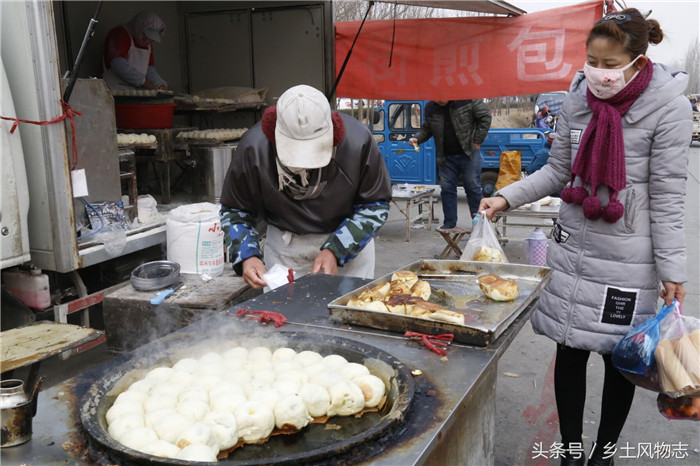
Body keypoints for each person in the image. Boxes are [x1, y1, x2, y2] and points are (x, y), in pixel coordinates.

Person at [479, 9, 690, 466]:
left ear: (637, 60)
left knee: (621, 361)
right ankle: (572, 452)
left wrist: (673, 270)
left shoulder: (667, 105)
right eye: (592, 60)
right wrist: (507, 197)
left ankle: (604, 455)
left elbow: (669, 196)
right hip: (572, 251)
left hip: (627, 261)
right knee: (569, 353)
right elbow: (558, 170)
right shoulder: (576, 97)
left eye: (610, 64)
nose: (598, 72)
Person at [219, 84, 392, 289]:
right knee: (285, 316)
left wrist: (337, 250)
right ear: (273, 132)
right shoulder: (253, 148)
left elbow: (375, 205)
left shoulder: (358, 142)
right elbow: (235, 209)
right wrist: (247, 255)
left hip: (349, 246)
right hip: (287, 250)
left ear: (333, 133)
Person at [409, 99, 491, 230]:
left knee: (472, 187)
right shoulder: (430, 107)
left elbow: (485, 116)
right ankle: (450, 222)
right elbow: (427, 128)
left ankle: (480, 224)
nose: (438, 99)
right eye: (435, 97)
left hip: (468, 153)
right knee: (447, 189)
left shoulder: (467, 99)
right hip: (446, 157)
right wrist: (417, 138)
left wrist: (477, 139)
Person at [102, 12, 168, 91]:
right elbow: (118, 64)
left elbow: (149, 69)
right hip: (113, 89)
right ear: (139, 28)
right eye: (145, 37)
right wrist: (144, 82)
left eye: (151, 39)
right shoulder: (120, 33)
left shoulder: (148, 44)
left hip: (133, 90)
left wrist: (160, 84)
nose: (147, 41)